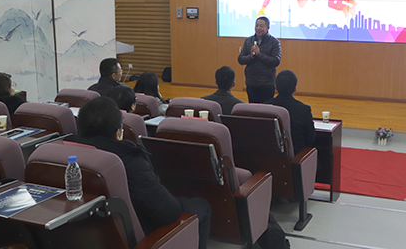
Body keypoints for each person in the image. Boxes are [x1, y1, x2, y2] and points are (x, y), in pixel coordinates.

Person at [66, 97, 211, 249]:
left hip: (92, 236)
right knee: (202, 206)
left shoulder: (67, 155)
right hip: (142, 237)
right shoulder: (129, 161)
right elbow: (168, 212)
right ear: (118, 133)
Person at [266, 70, 315, 156]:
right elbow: (310, 139)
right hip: (296, 158)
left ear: (275, 88)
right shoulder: (304, 110)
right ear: (295, 89)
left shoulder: (266, 107)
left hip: (270, 157)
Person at [238, 17, 281, 103]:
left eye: (261, 26)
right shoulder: (248, 41)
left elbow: (276, 61)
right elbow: (241, 59)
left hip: (267, 83)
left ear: (268, 28)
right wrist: (251, 57)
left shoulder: (274, 42)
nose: (258, 28)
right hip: (251, 82)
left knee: (267, 109)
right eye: (256, 26)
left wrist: (259, 54)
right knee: (253, 108)